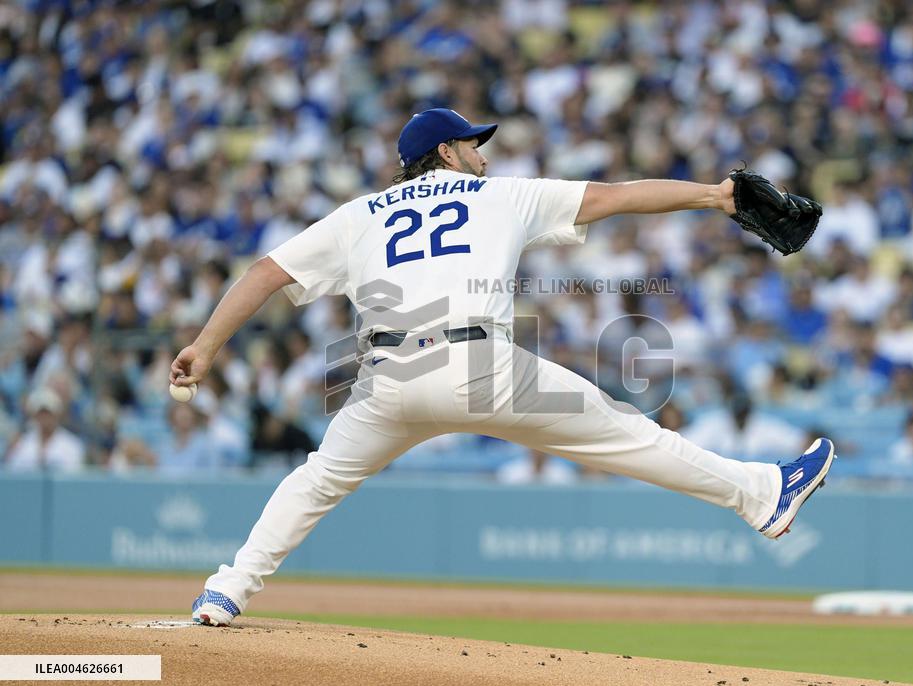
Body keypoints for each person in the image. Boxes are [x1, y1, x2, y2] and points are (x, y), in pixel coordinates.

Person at [174, 108, 835, 626]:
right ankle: (759, 494)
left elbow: (265, 271)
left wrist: (205, 347)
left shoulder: (357, 217)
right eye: (471, 144)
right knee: (627, 433)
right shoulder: (499, 196)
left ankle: (226, 589)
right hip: (477, 363)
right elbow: (615, 197)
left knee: (316, 479)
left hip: (383, 378)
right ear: (445, 154)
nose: (481, 153)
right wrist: (716, 196)